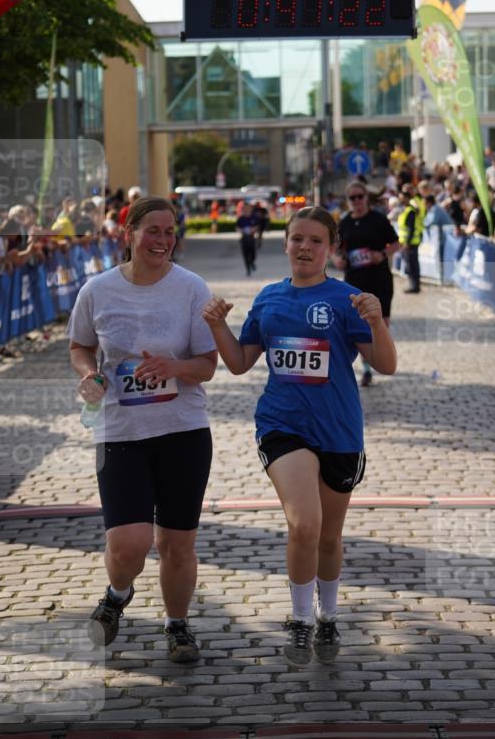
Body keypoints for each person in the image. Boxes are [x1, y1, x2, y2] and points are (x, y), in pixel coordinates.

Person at [202, 206, 397, 666]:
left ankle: (328, 616)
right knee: (303, 524)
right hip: (282, 426)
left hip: (339, 431)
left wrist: (376, 321)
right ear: (285, 243)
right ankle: (300, 620)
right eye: (296, 240)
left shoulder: (348, 299)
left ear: (331, 249)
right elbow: (239, 361)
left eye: (315, 241)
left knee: (329, 537)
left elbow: (386, 365)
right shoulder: (269, 298)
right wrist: (216, 325)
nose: (304, 248)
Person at [68, 196, 218, 663]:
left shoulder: (191, 287)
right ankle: (117, 594)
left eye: (170, 231)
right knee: (129, 542)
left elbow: (208, 365)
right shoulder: (98, 290)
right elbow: (80, 345)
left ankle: (177, 627)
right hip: (120, 432)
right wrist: (88, 374)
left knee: (177, 544)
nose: (163, 240)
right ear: (128, 233)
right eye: (153, 230)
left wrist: (173, 365)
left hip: (183, 431)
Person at [337, 181, 399, 386]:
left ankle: (383, 360)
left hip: (379, 279)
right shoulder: (344, 223)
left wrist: (382, 254)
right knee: (361, 326)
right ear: (348, 201)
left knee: (381, 325)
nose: (356, 201)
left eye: (360, 197)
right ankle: (366, 370)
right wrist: (338, 259)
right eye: (352, 198)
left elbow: (397, 243)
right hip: (355, 281)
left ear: (366, 198)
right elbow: (336, 250)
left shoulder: (378, 219)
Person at [395, 184, 423, 294]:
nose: (401, 200)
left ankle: (414, 286)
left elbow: (411, 229)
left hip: (411, 243)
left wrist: (407, 242)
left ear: (407, 198)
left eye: (402, 198)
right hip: (407, 243)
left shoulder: (410, 211)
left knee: (412, 265)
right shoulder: (405, 210)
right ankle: (413, 285)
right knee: (410, 264)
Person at [237, 201, 258, 275]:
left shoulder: (254, 217)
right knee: (245, 254)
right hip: (244, 238)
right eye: (245, 208)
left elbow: (257, 226)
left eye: (248, 208)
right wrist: (241, 230)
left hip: (251, 238)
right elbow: (237, 227)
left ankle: (252, 262)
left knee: (253, 253)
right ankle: (248, 269)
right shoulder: (241, 218)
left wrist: (253, 229)